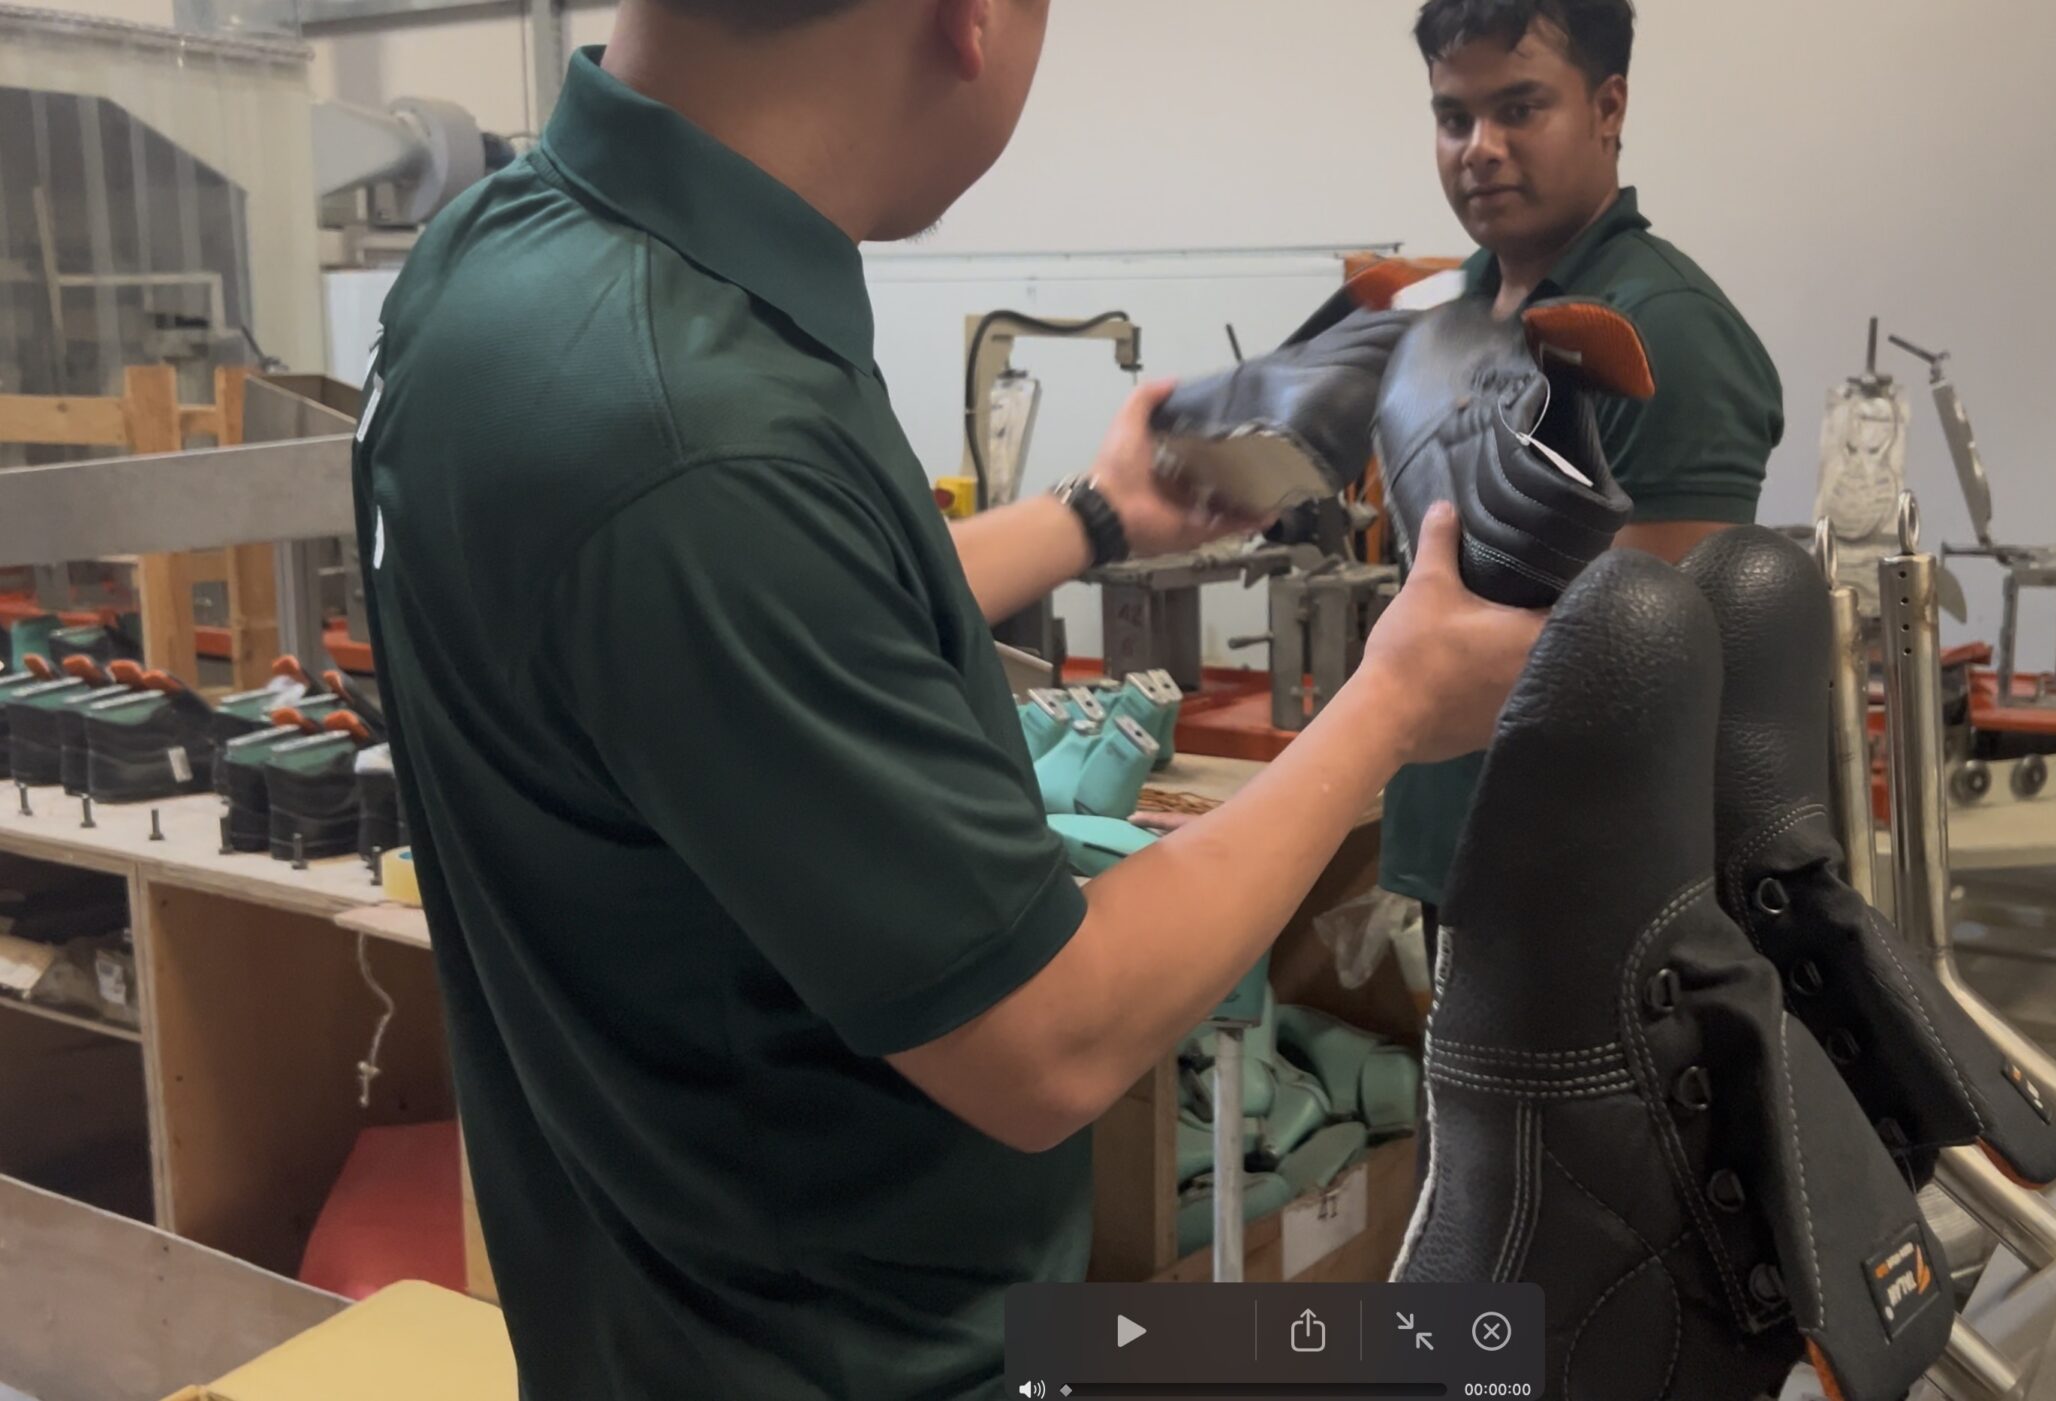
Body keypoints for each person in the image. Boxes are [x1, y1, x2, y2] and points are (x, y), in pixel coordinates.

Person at [349, 2, 1543, 1397]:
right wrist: (1391, 706)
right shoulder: (696, 432)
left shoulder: (502, 256)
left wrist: (1095, 516)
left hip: (647, 1323)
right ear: (968, 17)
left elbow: (766, 622)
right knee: (1452, 1357)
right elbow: (1054, 1040)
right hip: (855, 1358)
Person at [1380, 0, 1788, 932]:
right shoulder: (1458, 309)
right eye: (1454, 117)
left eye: (1519, 109)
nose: (1479, 149)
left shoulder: (1664, 328)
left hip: (1590, 892)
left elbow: (1641, 660)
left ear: (1609, 108)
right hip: (1459, 859)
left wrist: (1385, 707)